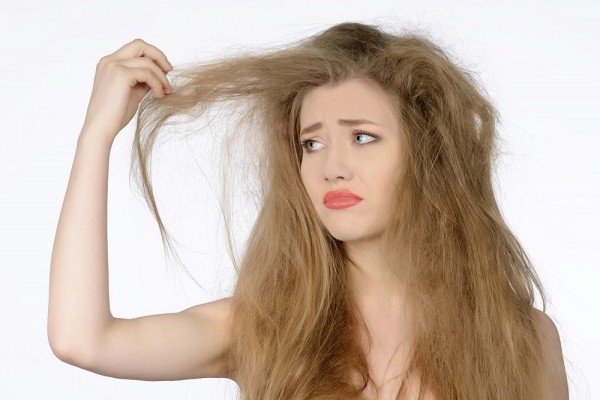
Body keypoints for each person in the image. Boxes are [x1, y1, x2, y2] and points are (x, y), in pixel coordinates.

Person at [48, 22, 568, 399]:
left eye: (362, 137)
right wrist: (95, 137)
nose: (331, 168)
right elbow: (83, 340)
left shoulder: (520, 339)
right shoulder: (267, 329)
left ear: (427, 154)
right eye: (312, 145)